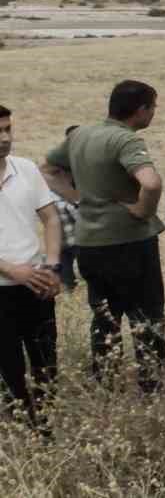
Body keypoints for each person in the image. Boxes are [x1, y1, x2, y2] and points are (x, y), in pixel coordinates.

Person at [40, 80, 165, 393]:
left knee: (104, 317)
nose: (153, 113)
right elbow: (150, 183)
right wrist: (142, 211)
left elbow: (47, 170)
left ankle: (106, 383)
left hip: (90, 243)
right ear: (141, 110)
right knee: (146, 317)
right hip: (130, 243)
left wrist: (78, 198)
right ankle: (150, 385)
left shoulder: (81, 134)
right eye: (153, 107)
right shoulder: (125, 140)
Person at [0, 104, 63, 430]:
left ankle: (47, 429)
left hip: (37, 283)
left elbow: (51, 218)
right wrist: (10, 269)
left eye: (8, 129)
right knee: (8, 368)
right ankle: (21, 429)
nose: (5, 138)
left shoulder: (24, 168)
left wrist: (52, 265)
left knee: (46, 363)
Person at [49, 125, 81, 291]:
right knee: (68, 252)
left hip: (70, 209)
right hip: (65, 210)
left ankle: (69, 282)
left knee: (71, 252)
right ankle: (68, 282)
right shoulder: (59, 160)